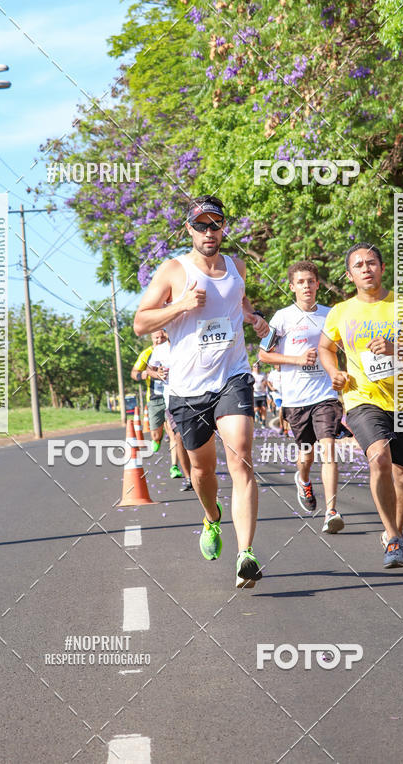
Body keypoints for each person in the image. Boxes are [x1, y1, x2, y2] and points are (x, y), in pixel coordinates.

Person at [133, 195, 270, 588]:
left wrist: (255, 320)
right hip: (187, 388)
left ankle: (246, 553)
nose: (210, 232)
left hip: (233, 375)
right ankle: (212, 516)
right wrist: (180, 306)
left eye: (216, 224)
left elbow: (240, 308)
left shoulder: (237, 267)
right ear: (189, 229)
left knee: (241, 454)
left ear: (224, 227)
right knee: (201, 470)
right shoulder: (174, 270)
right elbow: (141, 322)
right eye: (202, 225)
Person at [318, 242, 403, 568]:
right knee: (379, 459)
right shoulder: (341, 312)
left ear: (383, 268)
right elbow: (326, 348)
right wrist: (335, 372)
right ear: (349, 274)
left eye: (372, 262)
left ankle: (393, 533)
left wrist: (395, 348)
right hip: (362, 398)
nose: (366, 268)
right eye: (359, 265)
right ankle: (394, 538)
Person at [259, 261, 345, 534]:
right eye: (301, 282)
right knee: (306, 454)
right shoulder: (281, 318)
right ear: (292, 287)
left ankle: (331, 510)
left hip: (325, 394)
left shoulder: (331, 315)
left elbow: (343, 346)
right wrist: (296, 359)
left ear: (318, 284)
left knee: (329, 448)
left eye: (311, 281)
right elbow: (264, 355)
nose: (306, 286)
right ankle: (303, 478)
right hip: (296, 398)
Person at [130, 330, 182, 476]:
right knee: (155, 436)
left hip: (172, 396)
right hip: (154, 398)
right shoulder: (146, 354)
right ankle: (158, 437)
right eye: (156, 337)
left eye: (162, 337)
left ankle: (174, 467)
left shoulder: (174, 349)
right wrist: (143, 374)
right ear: (151, 339)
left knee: (174, 434)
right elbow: (134, 373)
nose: (159, 340)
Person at [147, 336, 193, 490]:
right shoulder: (159, 350)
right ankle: (188, 478)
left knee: (198, 438)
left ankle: (202, 471)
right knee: (179, 436)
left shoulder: (190, 339)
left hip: (197, 396)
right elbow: (149, 369)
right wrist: (157, 374)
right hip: (172, 399)